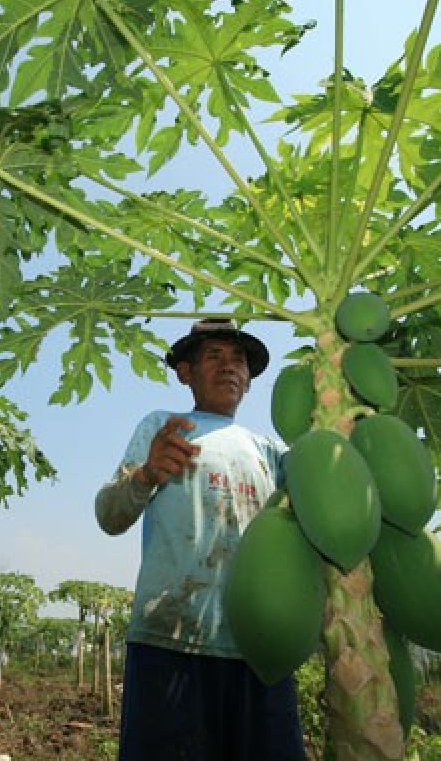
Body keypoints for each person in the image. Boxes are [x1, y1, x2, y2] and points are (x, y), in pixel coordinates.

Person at [95, 318, 306, 761]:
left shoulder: (272, 452)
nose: (230, 367)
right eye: (214, 355)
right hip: (170, 637)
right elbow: (109, 516)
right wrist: (146, 475)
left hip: (260, 648)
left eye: (239, 360)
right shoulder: (164, 426)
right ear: (186, 372)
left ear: (249, 381)